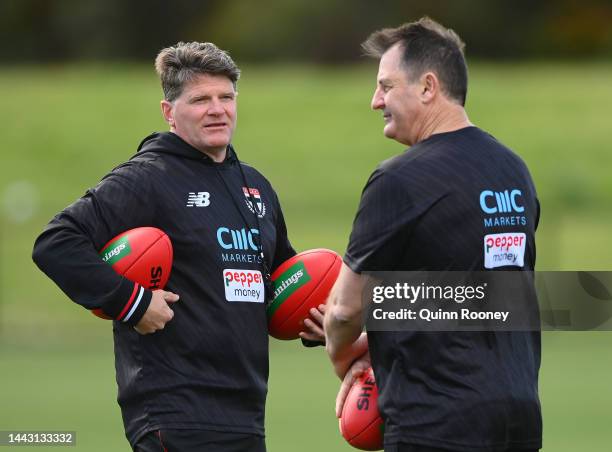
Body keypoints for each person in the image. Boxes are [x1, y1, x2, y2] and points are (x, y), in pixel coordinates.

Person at [32, 41, 323, 452]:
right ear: (170, 112)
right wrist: (131, 302)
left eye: (226, 97)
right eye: (200, 99)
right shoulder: (146, 179)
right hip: (174, 413)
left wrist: (322, 319)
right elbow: (56, 243)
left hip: (246, 413)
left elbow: (280, 283)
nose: (217, 109)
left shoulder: (255, 187)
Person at [324, 18, 542, 452]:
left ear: (427, 87)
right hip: (519, 418)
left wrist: (341, 353)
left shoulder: (398, 180)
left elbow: (345, 310)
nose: (375, 101)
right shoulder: (513, 170)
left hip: (437, 422)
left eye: (386, 86)